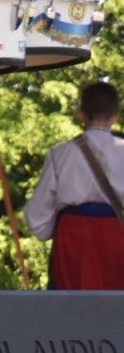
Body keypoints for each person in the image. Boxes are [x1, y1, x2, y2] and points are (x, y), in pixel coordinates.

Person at [24, 81, 124, 289]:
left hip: (74, 235)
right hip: (117, 234)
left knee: (73, 307)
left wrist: (51, 230)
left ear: (81, 114)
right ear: (116, 116)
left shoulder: (60, 153)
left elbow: (37, 214)